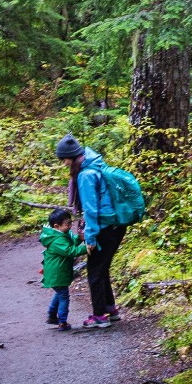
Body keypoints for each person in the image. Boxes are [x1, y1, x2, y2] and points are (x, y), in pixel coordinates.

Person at [55, 134, 126, 328]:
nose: (63, 163)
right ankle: (110, 309)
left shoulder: (85, 175)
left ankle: (99, 316)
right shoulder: (95, 164)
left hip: (105, 226)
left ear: (71, 157)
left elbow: (92, 210)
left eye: (64, 159)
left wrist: (90, 237)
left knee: (94, 271)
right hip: (115, 224)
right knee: (101, 268)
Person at [39, 206, 85, 330]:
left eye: (70, 223)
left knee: (60, 293)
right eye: (67, 224)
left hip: (57, 273)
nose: (70, 226)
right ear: (56, 226)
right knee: (64, 296)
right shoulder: (57, 240)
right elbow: (70, 251)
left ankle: (52, 316)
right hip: (57, 273)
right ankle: (62, 322)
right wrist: (87, 248)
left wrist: (78, 239)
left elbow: (69, 244)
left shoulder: (60, 235)